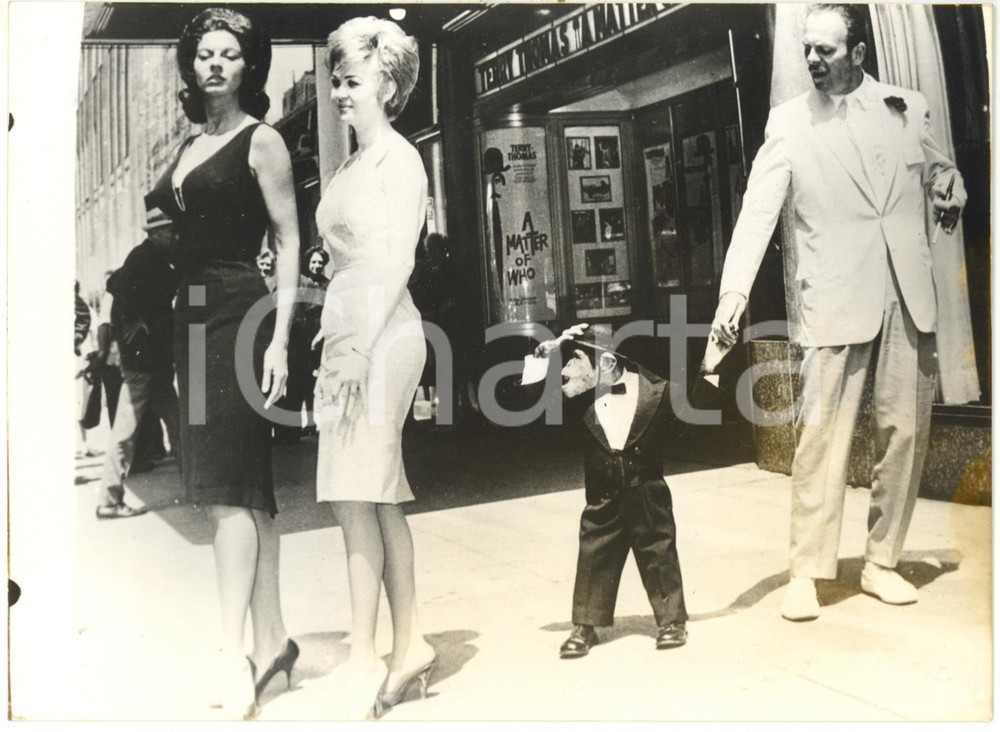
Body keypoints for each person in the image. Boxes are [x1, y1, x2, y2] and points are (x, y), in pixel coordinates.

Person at [710, 4, 966, 621]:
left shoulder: (907, 108)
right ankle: (807, 571)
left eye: (826, 50)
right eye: (807, 49)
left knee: (904, 431)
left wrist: (948, 182)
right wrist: (733, 295)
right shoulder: (789, 123)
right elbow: (757, 212)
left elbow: (938, 168)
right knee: (821, 439)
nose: (813, 61)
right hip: (834, 294)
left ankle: (882, 561)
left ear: (858, 53)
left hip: (906, 291)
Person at [146, 8, 301, 718]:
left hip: (241, 311)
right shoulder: (186, 147)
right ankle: (272, 644)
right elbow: (180, 226)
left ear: (248, 66)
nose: (213, 63)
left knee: (226, 489)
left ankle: (230, 652)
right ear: (192, 65)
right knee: (234, 487)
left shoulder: (260, 140)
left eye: (228, 54)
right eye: (204, 53)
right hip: (193, 314)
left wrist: (278, 335)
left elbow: (289, 240)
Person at [314, 16, 435, 719]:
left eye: (351, 81)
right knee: (371, 492)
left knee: (356, 488)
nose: (338, 93)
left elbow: (396, 260)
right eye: (334, 80)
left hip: (382, 336)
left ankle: (364, 653)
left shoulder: (400, 160)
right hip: (351, 333)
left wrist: (359, 343)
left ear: (387, 84)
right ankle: (410, 640)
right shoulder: (354, 164)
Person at [529, 325, 719, 658]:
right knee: (594, 555)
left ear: (605, 363)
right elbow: (524, 406)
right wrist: (541, 358)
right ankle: (585, 626)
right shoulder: (574, 402)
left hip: (647, 494)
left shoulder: (658, 393)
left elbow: (693, 423)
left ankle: (672, 621)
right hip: (603, 498)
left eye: (574, 360)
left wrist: (712, 367)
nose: (565, 370)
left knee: (658, 552)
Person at [95, 203, 181, 520]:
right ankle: (108, 499)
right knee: (126, 431)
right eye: (171, 232)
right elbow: (115, 285)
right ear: (157, 234)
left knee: (179, 422)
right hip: (143, 363)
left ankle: (197, 486)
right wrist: (131, 321)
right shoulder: (143, 258)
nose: (176, 236)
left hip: (153, 361)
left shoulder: (155, 259)